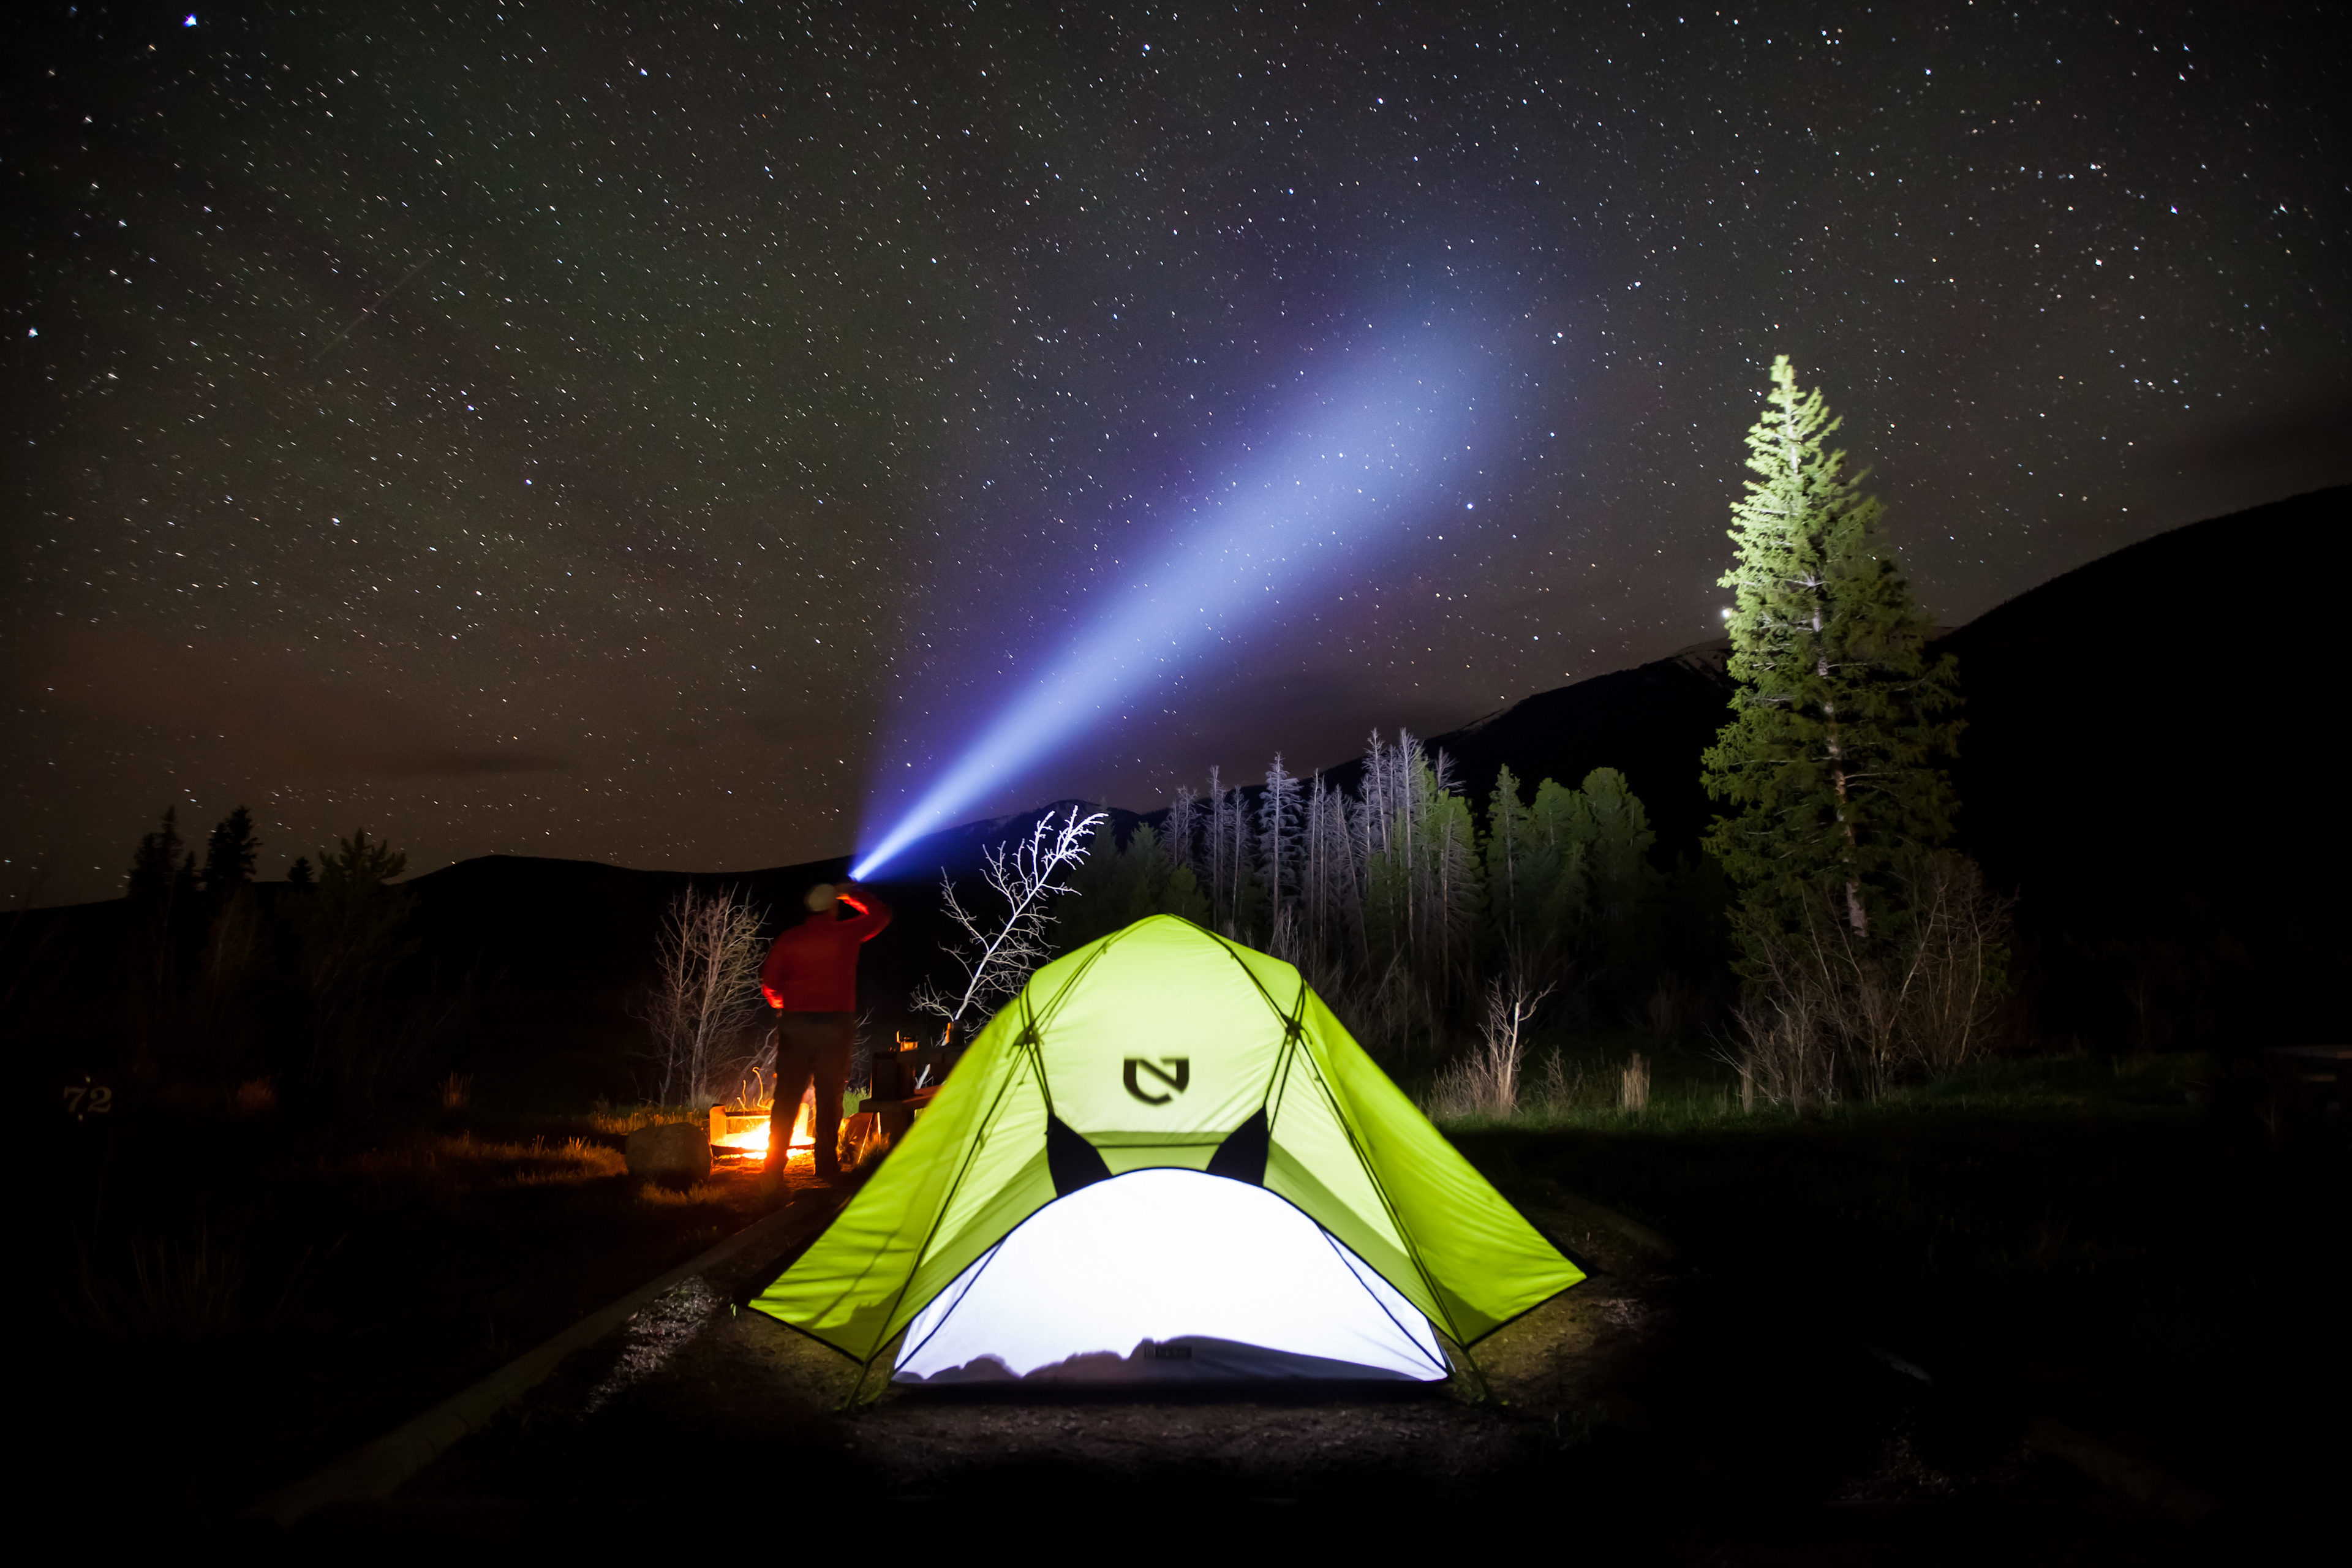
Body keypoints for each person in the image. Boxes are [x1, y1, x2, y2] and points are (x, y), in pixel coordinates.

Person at [760, 879, 890, 1179]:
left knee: (788, 1096)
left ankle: (773, 1166)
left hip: (796, 1025)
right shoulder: (846, 934)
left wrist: (784, 1005)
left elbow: (770, 983)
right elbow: (880, 916)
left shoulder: (790, 939)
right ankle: (826, 1166)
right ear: (833, 906)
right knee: (830, 1095)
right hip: (835, 1026)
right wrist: (852, 894)